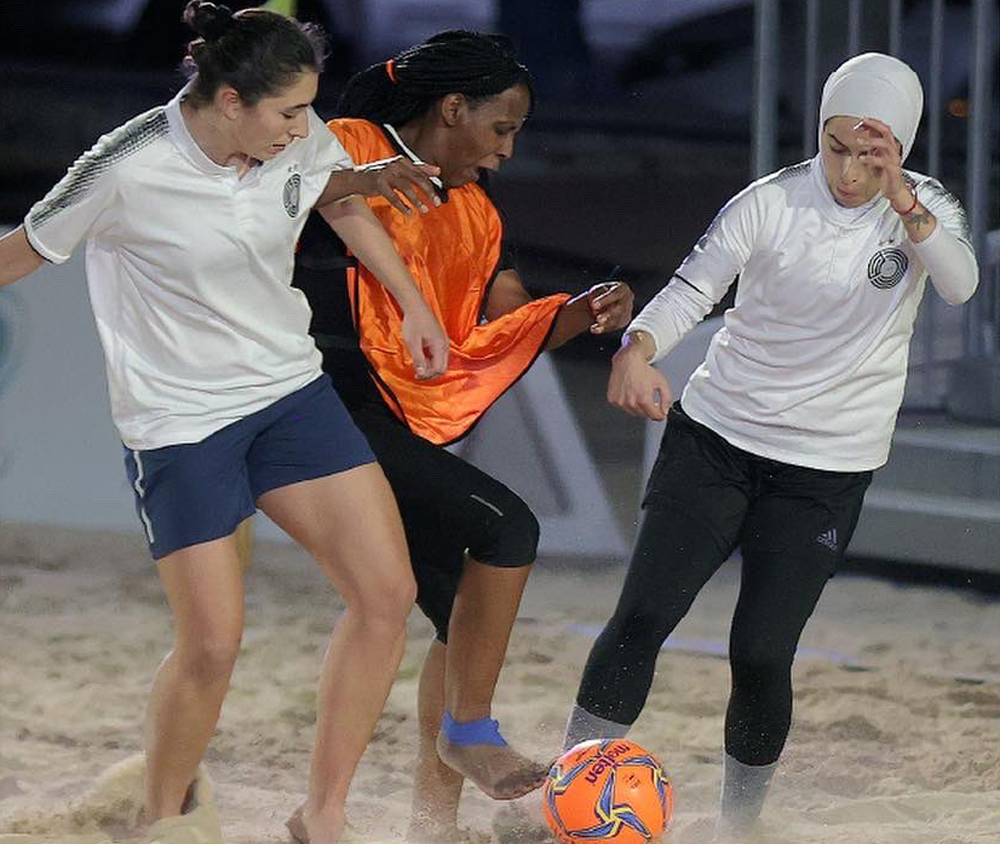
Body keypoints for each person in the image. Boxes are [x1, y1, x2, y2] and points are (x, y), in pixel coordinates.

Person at [0, 4, 455, 844]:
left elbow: (327, 192)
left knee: (387, 596)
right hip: (180, 423)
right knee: (211, 645)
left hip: (288, 395)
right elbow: (19, 253)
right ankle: (163, 817)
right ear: (231, 100)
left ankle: (321, 813)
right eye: (286, 112)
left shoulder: (293, 133)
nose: (302, 126)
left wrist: (412, 301)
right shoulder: (126, 166)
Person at [563, 52, 978, 840]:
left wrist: (904, 201)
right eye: (836, 147)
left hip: (826, 472)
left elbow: (959, 283)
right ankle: (573, 788)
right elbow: (693, 287)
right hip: (717, 440)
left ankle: (740, 826)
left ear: (902, 148)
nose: (850, 170)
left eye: (872, 152)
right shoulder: (769, 202)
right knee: (642, 615)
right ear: (817, 134)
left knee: (760, 653)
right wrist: (638, 349)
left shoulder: (924, 210)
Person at [290, 31, 635, 843]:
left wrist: (580, 312)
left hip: (383, 413)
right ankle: (468, 730)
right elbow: (302, 205)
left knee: (456, 612)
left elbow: (500, 318)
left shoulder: (475, 211)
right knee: (506, 528)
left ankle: (427, 819)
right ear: (453, 109)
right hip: (312, 399)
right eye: (502, 129)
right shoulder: (349, 147)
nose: (507, 153)